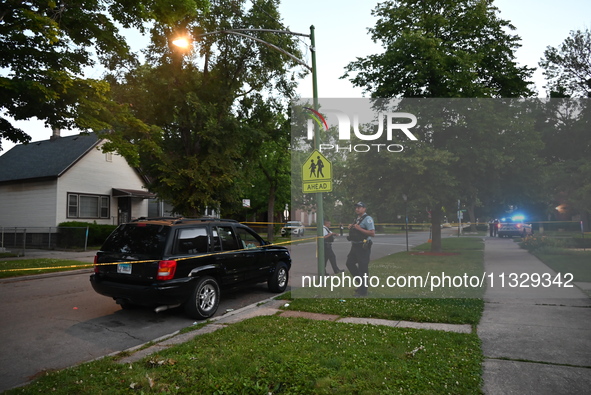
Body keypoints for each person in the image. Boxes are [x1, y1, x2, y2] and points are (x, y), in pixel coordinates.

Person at [346, 201, 375, 296]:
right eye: (356, 207)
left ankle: (363, 291)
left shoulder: (368, 219)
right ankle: (362, 283)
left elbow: (372, 233)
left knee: (363, 268)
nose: (357, 209)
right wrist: (352, 227)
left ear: (364, 209)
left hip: (363, 246)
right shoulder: (357, 219)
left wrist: (359, 228)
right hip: (355, 246)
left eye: (359, 207)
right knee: (349, 263)